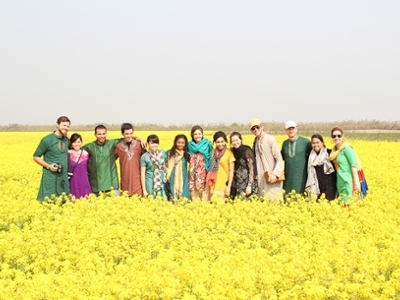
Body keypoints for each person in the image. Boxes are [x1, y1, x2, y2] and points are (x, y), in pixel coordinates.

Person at [33, 116, 70, 202]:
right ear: (57, 125)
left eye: (68, 126)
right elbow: (36, 156)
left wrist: (70, 138)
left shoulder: (66, 140)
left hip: (63, 176)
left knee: (63, 202)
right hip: (51, 177)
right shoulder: (47, 140)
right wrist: (49, 166)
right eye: (64, 125)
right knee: (49, 201)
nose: (66, 128)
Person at [83, 124, 122, 196]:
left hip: (112, 183)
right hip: (96, 185)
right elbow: (76, 149)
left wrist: (139, 139)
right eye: (99, 134)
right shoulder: (89, 146)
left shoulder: (111, 143)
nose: (102, 136)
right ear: (95, 135)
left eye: (104, 134)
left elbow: (126, 138)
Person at [250, 119, 284, 201]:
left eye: (257, 127)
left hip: (272, 177)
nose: (255, 130)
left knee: (274, 201)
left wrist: (275, 174)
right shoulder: (255, 142)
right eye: (253, 128)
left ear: (262, 127)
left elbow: (279, 159)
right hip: (261, 178)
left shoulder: (270, 139)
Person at [329, 127, 361, 203]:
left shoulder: (347, 148)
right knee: (343, 204)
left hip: (348, 181)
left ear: (343, 136)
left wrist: (355, 183)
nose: (336, 138)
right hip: (340, 181)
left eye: (339, 136)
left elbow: (353, 165)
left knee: (349, 204)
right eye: (334, 136)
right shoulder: (334, 150)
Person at [281, 120, 312, 196]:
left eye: (293, 128)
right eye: (289, 129)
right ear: (286, 131)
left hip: (302, 178)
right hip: (288, 178)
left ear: (296, 129)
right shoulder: (285, 144)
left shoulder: (305, 142)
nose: (291, 131)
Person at [115, 123, 145, 197]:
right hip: (125, 178)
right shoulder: (118, 147)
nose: (129, 136)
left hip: (137, 179)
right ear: (123, 134)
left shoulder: (139, 145)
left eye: (131, 133)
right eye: (127, 134)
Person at [305, 134, 337, 200]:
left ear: (322, 143)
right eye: (313, 143)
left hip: (329, 187)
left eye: (318, 142)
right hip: (316, 188)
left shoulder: (329, 153)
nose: (315, 145)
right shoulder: (309, 157)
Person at [206, 131, 235, 199]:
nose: (220, 144)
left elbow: (231, 171)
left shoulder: (229, 153)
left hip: (224, 182)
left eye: (222, 141)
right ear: (215, 142)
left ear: (225, 142)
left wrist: (229, 186)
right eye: (218, 142)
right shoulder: (213, 152)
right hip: (214, 182)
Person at [230, 132, 259, 199]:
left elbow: (251, 169)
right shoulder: (232, 151)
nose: (235, 142)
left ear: (241, 140)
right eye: (233, 141)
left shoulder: (246, 151)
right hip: (237, 183)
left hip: (247, 183)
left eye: (237, 140)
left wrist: (249, 185)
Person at [187, 125, 213, 200]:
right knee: (193, 190)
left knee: (204, 190)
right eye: (195, 134)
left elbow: (210, 157)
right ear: (192, 135)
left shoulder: (207, 144)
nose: (197, 136)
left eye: (199, 134)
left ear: (202, 134)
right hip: (193, 172)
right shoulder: (189, 145)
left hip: (204, 171)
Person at [165, 134, 190, 200]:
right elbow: (163, 164)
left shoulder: (186, 154)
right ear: (175, 142)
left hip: (183, 179)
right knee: (172, 198)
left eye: (183, 143)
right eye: (179, 142)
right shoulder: (168, 153)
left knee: (184, 199)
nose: (180, 144)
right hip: (172, 179)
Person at [68, 133, 92, 199]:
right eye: (74, 142)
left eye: (78, 142)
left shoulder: (86, 153)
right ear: (71, 143)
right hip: (72, 181)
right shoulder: (67, 153)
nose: (77, 144)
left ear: (81, 142)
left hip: (84, 181)